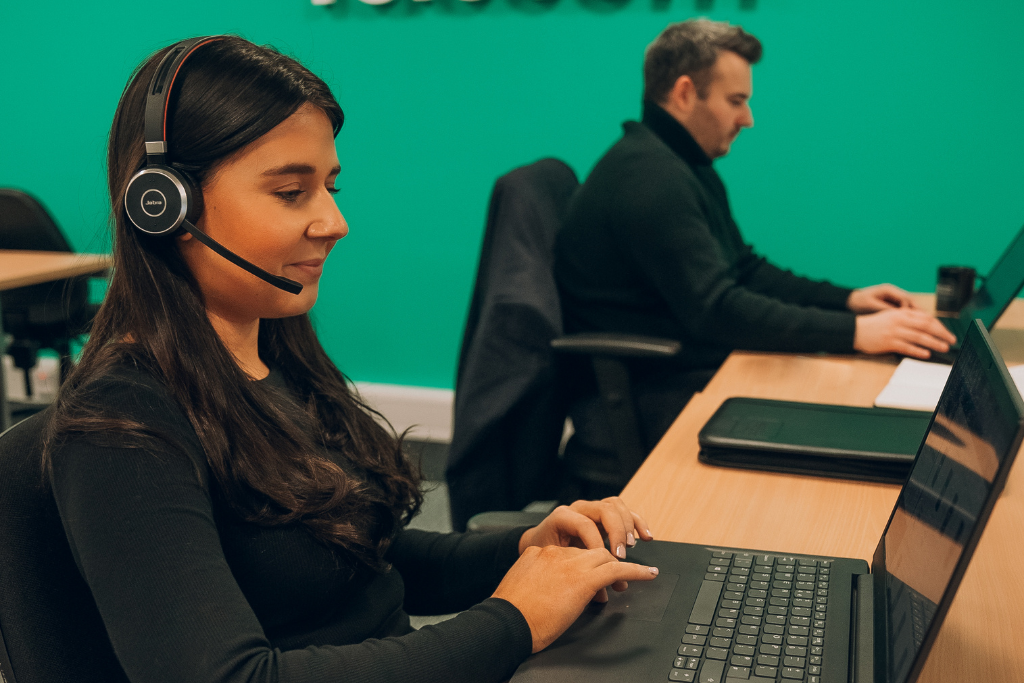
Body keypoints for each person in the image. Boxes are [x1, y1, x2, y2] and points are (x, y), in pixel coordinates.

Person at [42, 35, 658, 683]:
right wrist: (513, 619)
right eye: (290, 192)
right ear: (164, 204)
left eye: (330, 186)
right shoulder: (124, 425)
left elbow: (362, 565)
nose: (334, 221)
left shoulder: (275, 352)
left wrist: (524, 548)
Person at [554, 19, 957, 449]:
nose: (747, 119)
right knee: (843, 413)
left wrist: (849, 301)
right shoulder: (650, 179)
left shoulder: (680, 162)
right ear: (686, 92)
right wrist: (857, 333)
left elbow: (743, 269)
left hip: (684, 368)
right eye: (736, 101)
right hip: (645, 394)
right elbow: (717, 310)